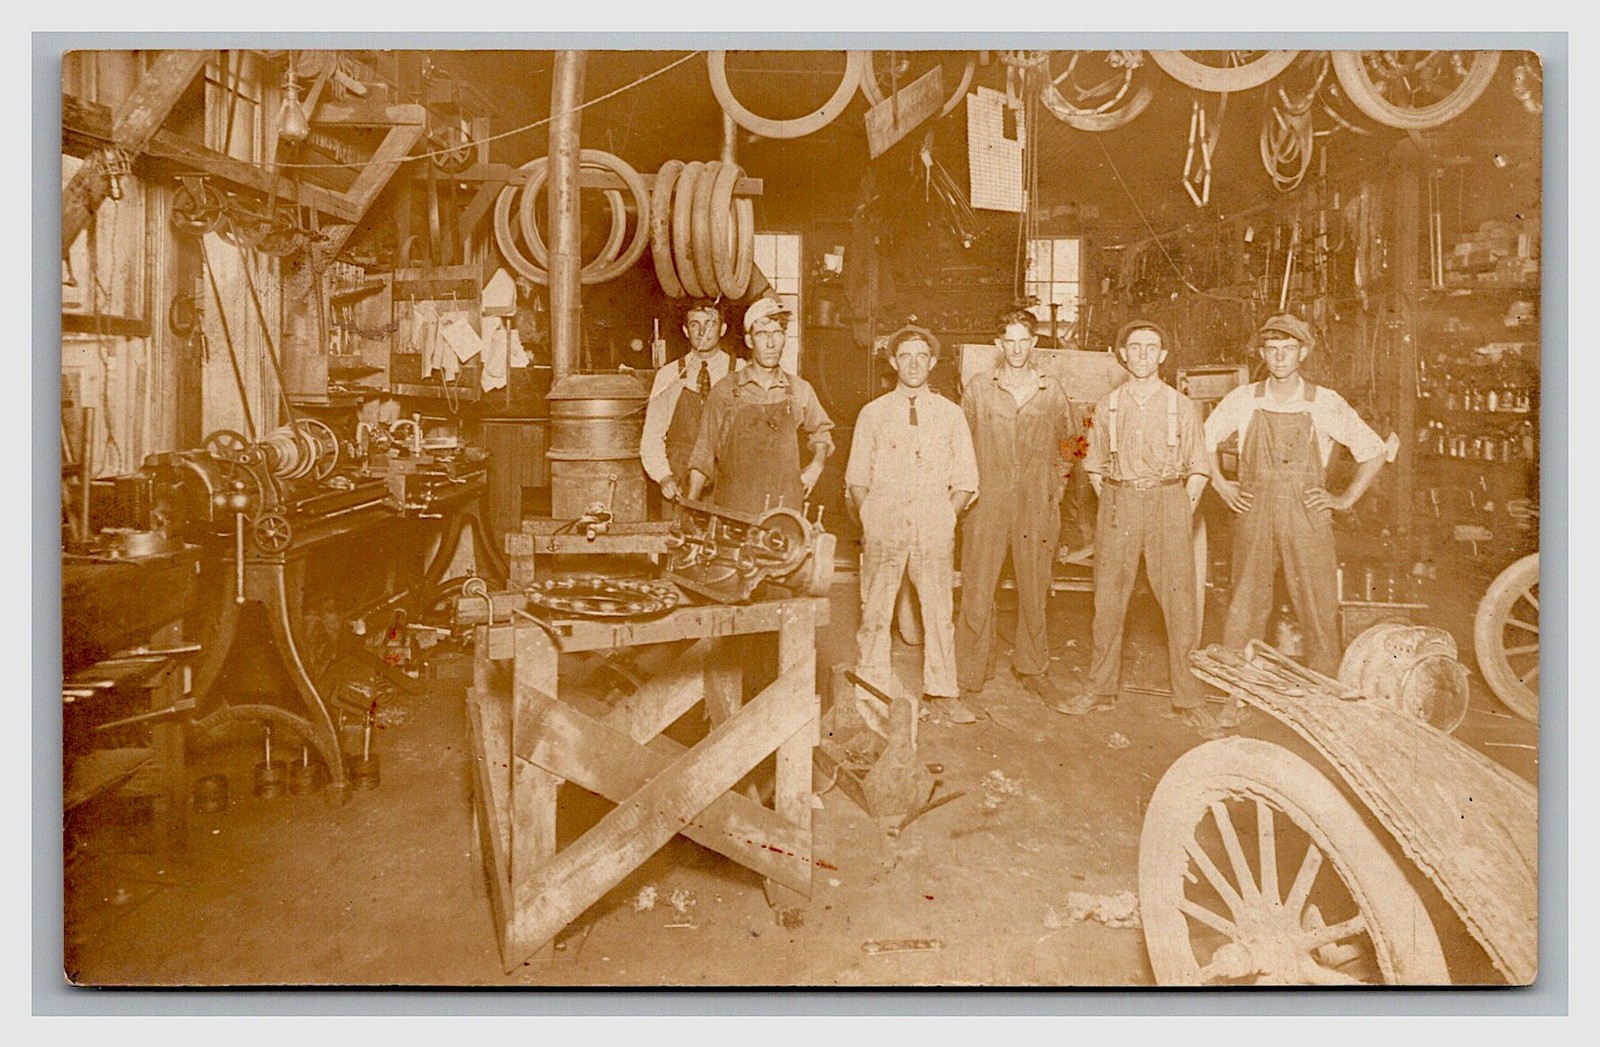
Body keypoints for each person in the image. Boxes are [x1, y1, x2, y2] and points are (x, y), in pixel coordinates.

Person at [1054, 321, 1221, 735]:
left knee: (1180, 604)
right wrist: (1115, 495)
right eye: (1135, 347)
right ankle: (1099, 687)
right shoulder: (1105, 406)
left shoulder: (1182, 406)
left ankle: (1189, 698)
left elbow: (1200, 466)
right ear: (1122, 355)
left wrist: (1183, 506)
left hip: (1168, 502)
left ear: (1163, 356)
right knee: (1109, 600)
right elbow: (1090, 465)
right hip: (1120, 502)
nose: (1144, 355)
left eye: (1152, 347)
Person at [1205, 314, 1390, 675]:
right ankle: (1238, 691)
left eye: (1288, 349)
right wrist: (1221, 484)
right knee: (1245, 601)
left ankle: (1325, 691)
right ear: (1262, 353)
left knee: (1317, 604)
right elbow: (1202, 441)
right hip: (1254, 509)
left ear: (1303, 353)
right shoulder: (1244, 399)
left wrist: (1344, 499)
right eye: (1271, 349)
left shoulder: (1324, 401)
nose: (1279, 357)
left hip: (1307, 511)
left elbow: (1374, 450)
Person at [847, 326, 980, 725]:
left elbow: (967, 479)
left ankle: (943, 690)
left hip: (932, 524)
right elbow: (856, 479)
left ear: (933, 362)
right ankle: (870, 688)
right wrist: (870, 515)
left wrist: (945, 516)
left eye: (921, 356)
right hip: (885, 521)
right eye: (905, 356)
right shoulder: (873, 414)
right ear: (893, 362)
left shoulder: (950, 414)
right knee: (875, 609)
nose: (914, 364)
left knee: (939, 611)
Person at [955, 309, 1076, 708]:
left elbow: (1074, 442)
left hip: (1035, 505)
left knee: (1034, 585)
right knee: (977, 585)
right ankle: (970, 672)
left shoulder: (1050, 389)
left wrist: (1054, 484)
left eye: (1025, 340)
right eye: (1010, 340)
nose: (1018, 348)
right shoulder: (978, 388)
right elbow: (959, 444)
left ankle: (1033, 668)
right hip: (986, 502)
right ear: (998, 345)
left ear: (1034, 343)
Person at [686, 297, 835, 515]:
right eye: (762, 334)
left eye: (777, 334)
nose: (771, 344)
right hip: (735, 510)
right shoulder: (727, 390)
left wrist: (817, 465)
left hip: (784, 513)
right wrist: (689, 507)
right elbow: (704, 453)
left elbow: (821, 432)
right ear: (749, 340)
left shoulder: (798, 390)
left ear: (784, 338)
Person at [640, 298, 739, 505]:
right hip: (680, 486)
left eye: (710, 323)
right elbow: (651, 438)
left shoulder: (740, 371)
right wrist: (664, 477)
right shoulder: (668, 376)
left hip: (728, 485)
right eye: (695, 324)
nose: (703, 331)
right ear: (686, 331)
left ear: (723, 329)